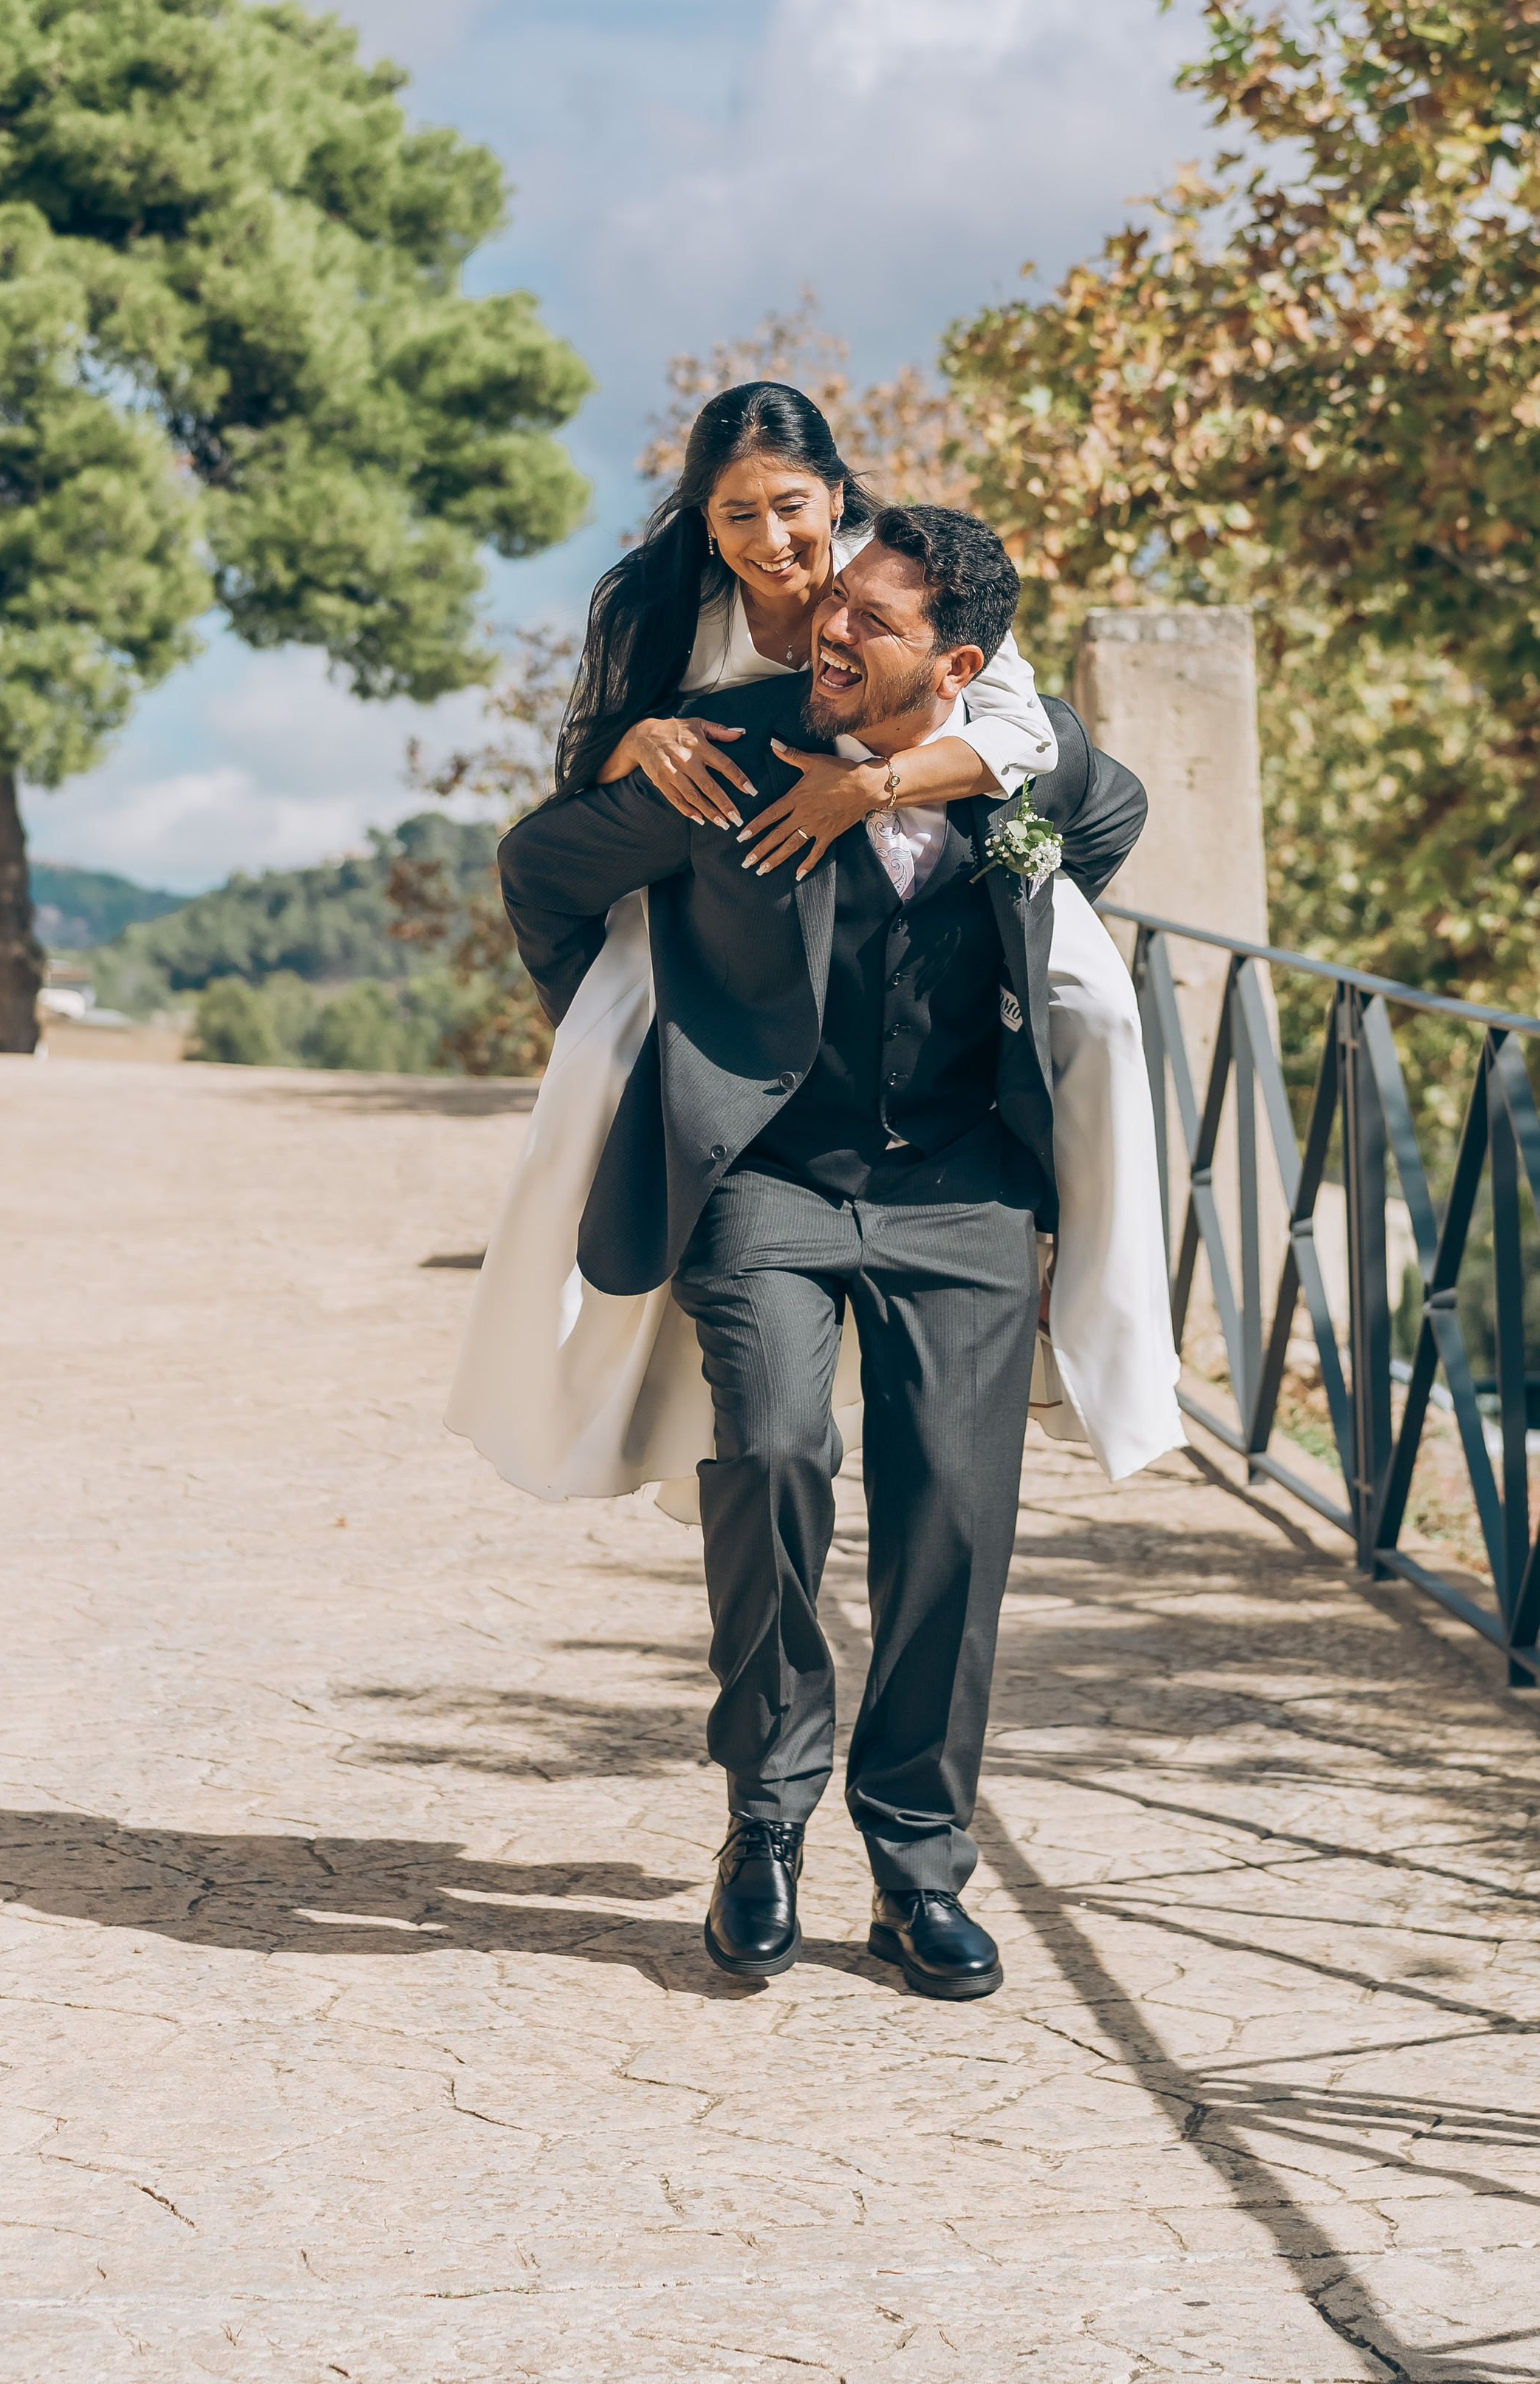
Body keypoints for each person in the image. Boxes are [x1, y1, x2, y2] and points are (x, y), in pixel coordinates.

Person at [496, 505, 1147, 1995]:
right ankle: (766, 1822)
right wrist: (628, 1043)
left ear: (959, 666)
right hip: (768, 1176)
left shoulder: (1018, 769)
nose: (827, 630)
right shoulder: (728, 749)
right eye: (835, 597)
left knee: (954, 1518)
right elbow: (541, 872)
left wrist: (921, 795)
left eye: (873, 619)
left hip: (964, 1189)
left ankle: (917, 1868)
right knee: (776, 1452)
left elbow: (1106, 822)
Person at [447, 383, 1181, 1519]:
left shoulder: (905, 576)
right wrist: (642, 740)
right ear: (702, 520)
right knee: (613, 1052)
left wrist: (876, 797)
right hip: (725, 868)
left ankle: (1086, 1299)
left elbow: (1033, 740)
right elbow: (579, 778)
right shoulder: (655, 607)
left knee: (1091, 1003)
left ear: (837, 498)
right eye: (735, 513)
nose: (770, 539)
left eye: (790, 506)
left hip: (928, 807)